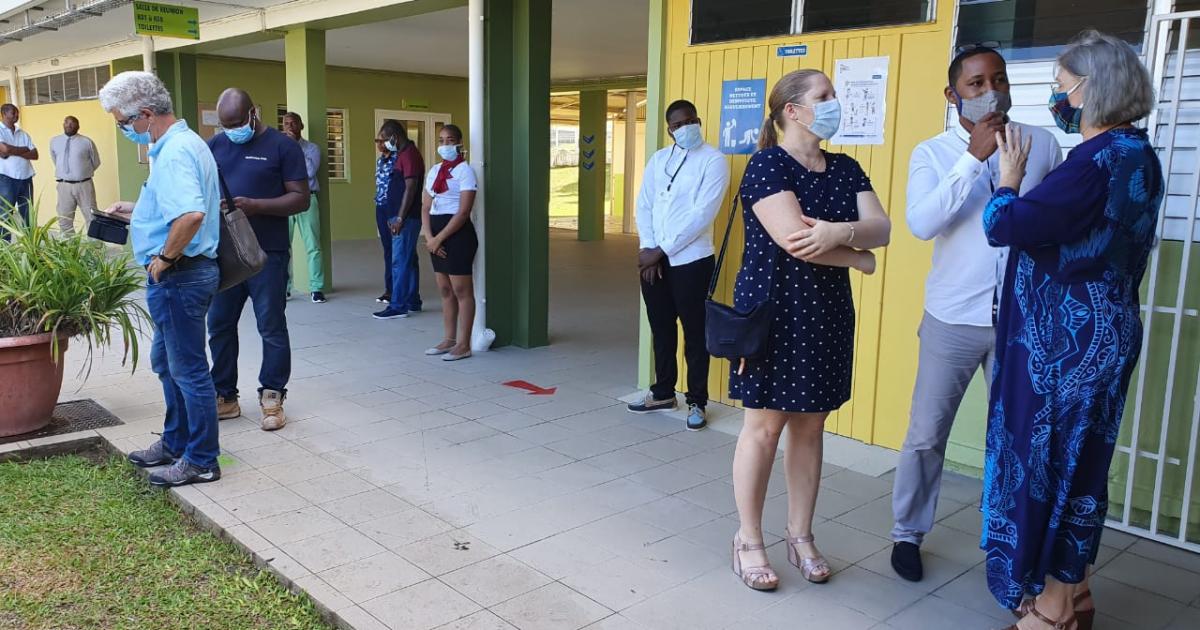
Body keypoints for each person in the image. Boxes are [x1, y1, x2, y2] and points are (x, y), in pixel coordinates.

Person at [982, 31, 1162, 630]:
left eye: (1061, 89)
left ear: (1092, 91)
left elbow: (1007, 224)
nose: (1058, 101)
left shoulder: (1095, 163)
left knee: (1051, 470)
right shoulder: (1139, 154)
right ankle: (1077, 593)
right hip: (1105, 336)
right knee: (1081, 466)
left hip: (1066, 349)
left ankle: (1053, 608)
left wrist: (1008, 178)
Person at [889, 46, 1062, 583]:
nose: (990, 90)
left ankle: (1013, 539)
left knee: (1018, 437)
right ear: (952, 95)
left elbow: (1054, 224)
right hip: (953, 318)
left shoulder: (1044, 144)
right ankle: (907, 533)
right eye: (975, 83)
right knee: (925, 434)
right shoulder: (933, 153)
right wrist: (974, 156)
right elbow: (921, 223)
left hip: (1022, 320)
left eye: (998, 79)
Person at [728, 69, 890, 591]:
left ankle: (800, 535)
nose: (835, 103)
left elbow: (882, 226)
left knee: (810, 428)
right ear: (792, 111)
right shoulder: (766, 165)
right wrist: (858, 258)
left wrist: (843, 236)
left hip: (825, 315)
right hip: (774, 313)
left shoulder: (846, 167)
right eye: (824, 97)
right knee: (764, 428)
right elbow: (795, 239)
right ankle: (749, 539)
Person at [97, 71, 223, 486]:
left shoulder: (173, 152)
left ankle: (201, 460)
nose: (123, 129)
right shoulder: (181, 144)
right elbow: (179, 206)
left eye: (122, 122)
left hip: (181, 276)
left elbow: (190, 215)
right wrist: (139, 209)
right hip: (183, 275)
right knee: (168, 364)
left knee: (188, 369)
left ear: (145, 115)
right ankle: (176, 442)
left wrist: (164, 259)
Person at [206, 88, 310, 431]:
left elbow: (300, 200)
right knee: (219, 324)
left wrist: (256, 205)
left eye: (237, 123)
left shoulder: (283, 146)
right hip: (227, 253)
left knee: (271, 325)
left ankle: (273, 395)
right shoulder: (217, 146)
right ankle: (225, 396)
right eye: (225, 125)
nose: (232, 131)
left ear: (254, 113)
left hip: (268, 254)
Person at [627, 99, 729, 431]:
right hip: (654, 260)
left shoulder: (714, 160)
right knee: (661, 327)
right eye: (679, 124)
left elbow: (702, 215)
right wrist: (648, 249)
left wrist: (662, 252)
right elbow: (644, 205)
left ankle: (697, 400)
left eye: (692, 120)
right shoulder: (659, 159)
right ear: (670, 129)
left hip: (692, 261)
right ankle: (663, 392)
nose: (687, 127)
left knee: (695, 332)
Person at [420, 124, 477, 361]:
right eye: (442, 140)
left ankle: (464, 344)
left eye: (450, 140)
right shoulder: (434, 171)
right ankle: (449, 338)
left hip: (457, 233)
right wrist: (429, 238)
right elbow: (425, 206)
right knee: (445, 289)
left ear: (459, 143)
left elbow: (463, 212)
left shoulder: (466, 171)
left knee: (461, 289)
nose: (445, 145)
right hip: (435, 233)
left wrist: (440, 238)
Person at [373, 119, 426, 320]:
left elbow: (411, 188)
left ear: (394, 137)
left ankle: (398, 305)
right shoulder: (404, 154)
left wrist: (399, 217)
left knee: (399, 261)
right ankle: (412, 300)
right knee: (409, 259)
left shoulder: (409, 155)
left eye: (385, 139)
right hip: (400, 216)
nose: (383, 143)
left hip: (405, 217)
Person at [281, 112, 327, 304]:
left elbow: (308, 172)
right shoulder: (278, 148)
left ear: (301, 126)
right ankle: (284, 288)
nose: (290, 126)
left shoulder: (312, 148)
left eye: (294, 123)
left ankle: (316, 288)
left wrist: (295, 147)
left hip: (307, 199)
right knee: (282, 247)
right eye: (286, 123)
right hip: (284, 201)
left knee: (313, 246)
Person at [49, 115, 102, 237]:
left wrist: (81, 172)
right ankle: (70, 251)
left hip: (84, 185)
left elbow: (96, 162)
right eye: (66, 122)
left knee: (92, 218)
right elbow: (55, 160)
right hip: (64, 186)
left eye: (72, 123)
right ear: (63, 124)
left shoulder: (86, 142)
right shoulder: (54, 141)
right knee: (64, 219)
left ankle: (94, 251)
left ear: (78, 126)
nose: (69, 125)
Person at [0, 103, 38, 236]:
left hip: (26, 178)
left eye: (17, 113)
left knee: (28, 215)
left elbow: (35, 154)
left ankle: (30, 246)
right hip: (6, 179)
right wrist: (24, 150)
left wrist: (11, 150)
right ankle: (5, 250)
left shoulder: (23, 134)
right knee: (5, 215)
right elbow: (4, 151)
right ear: (4, 114)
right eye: (13, 113)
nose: (17, 115)